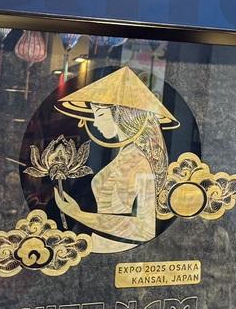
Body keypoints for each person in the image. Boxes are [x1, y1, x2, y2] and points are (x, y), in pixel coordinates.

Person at [50, 66, 179, 252]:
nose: (95, 122)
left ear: (122, 114)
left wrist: (78, 214)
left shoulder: (140, 161)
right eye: (94, 114)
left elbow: (145, 228)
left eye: (100, 114)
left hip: (119, 246)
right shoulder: (126, 154)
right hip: (103, 244)